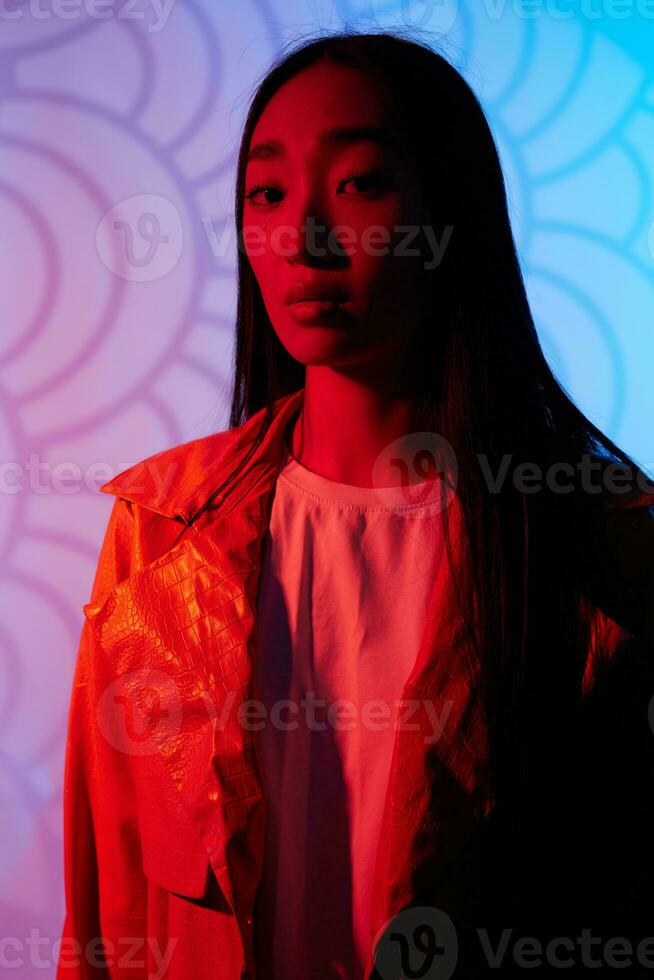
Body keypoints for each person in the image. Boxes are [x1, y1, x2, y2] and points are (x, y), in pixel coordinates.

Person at [57, 29, 654, 980]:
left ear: (448, 214)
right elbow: (100, 916)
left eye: (361, 184)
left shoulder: (597, 542)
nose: (303, 237)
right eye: (267, 193)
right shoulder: (163, 531)